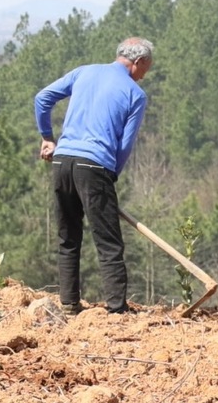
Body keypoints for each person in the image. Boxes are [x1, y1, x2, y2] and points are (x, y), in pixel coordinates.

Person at [34, 37, 154, 315]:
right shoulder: (135, 94)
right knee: (109, 241)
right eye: (146, 69)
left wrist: (47, 138)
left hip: (62, 162)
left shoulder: (83, 72)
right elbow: (125, 144)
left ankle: (68, 305)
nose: (145, 75)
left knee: (68, 237)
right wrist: (111, 174)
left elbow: (43, 98)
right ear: (138, 62)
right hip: (95, 166)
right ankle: (116, 309)